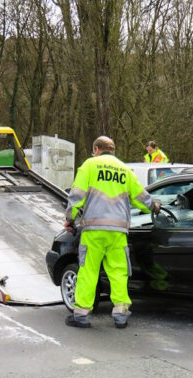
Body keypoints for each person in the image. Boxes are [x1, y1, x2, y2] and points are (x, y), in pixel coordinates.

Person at [65, 136, 160, 329]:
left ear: (96, 149)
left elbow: (77, 196)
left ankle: (82, 314)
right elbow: (140, 197)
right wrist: (154, 205)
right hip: (118, 232)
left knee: (89, 271)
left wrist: (69, 219)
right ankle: (120, 313)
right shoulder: (125, 170)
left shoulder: (89, 166)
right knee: (119, 272)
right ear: (113, 150)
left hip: (94, 230)